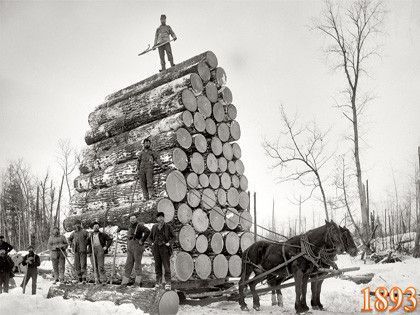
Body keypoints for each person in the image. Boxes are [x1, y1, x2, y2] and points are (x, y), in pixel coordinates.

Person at [121, 215, 150, 287]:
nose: (132, 220)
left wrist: (142, 240)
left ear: (136, 219)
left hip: (137, 247)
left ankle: (137, 283)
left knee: (137, 265)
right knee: (128, 265)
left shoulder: (139, 226)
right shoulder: (130, 226)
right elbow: (124, 227)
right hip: (130, 247)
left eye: (134, 219)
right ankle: (124, 283)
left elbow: (148, 231)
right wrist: (120, 228)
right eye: (131, 219)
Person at [149, 212, 175, 290]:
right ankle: (158, 282)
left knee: (166, 266)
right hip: (156, 248)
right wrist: (152, 243)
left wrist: (169, 243)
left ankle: (168, 283)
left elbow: (174, 237)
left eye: (161, 217)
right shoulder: (154, 227)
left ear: (163, 218)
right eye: (159, 217)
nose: (160, 218)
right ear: (157, 219)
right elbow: (150, 238)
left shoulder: (168, 227)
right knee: (157, 266)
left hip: (165, 248)